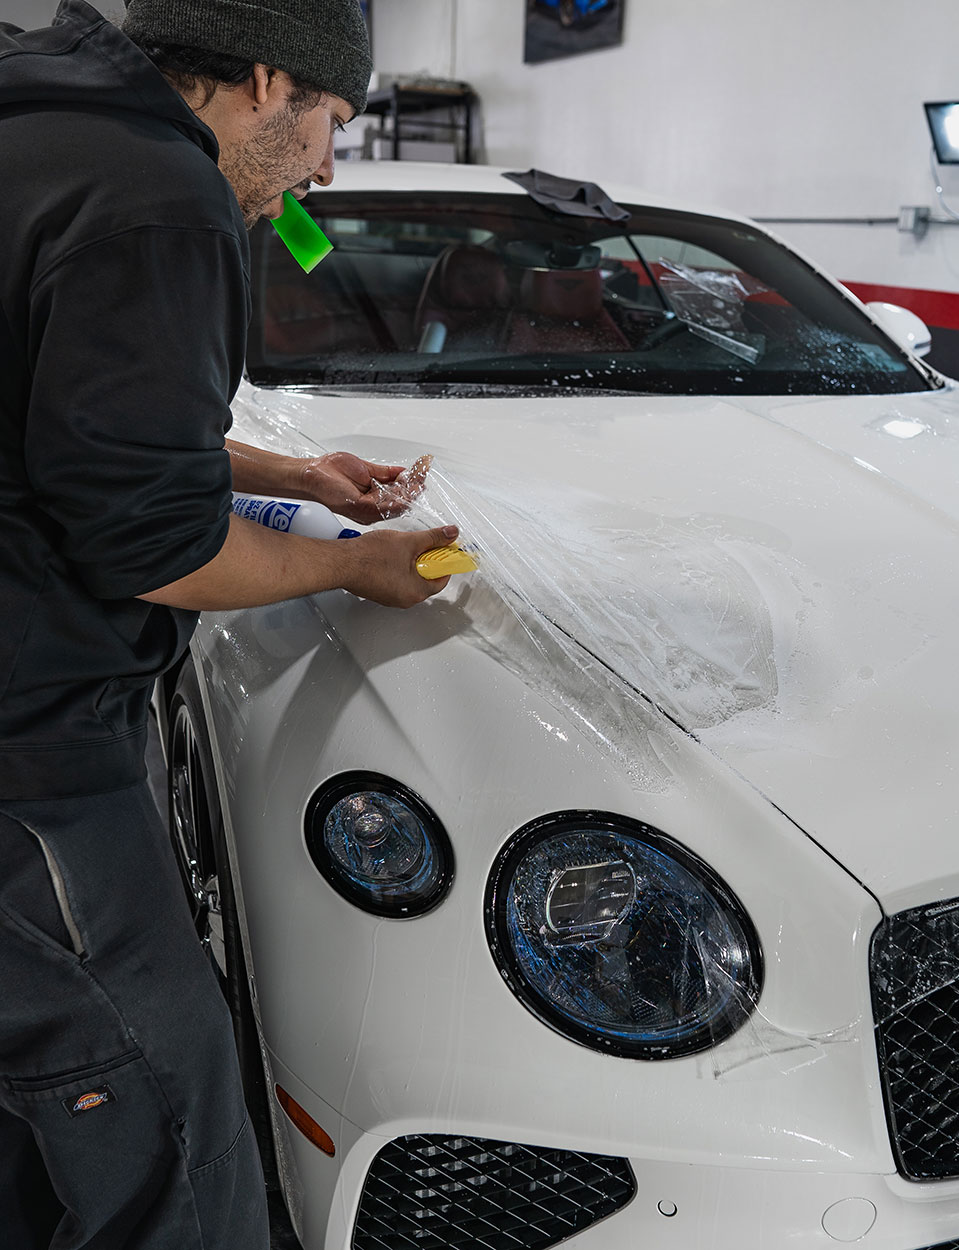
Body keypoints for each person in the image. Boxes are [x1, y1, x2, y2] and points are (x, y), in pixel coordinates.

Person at [0, 0, 457, 1245]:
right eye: (326, 125)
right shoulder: (161, 196)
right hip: (28, 753)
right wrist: (355, 568)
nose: (320, 168)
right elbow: (159, 540)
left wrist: (304, 482)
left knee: (42, 1094)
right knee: (166, 1105)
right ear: (266, 76)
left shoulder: (43, 123)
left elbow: (89, 415)